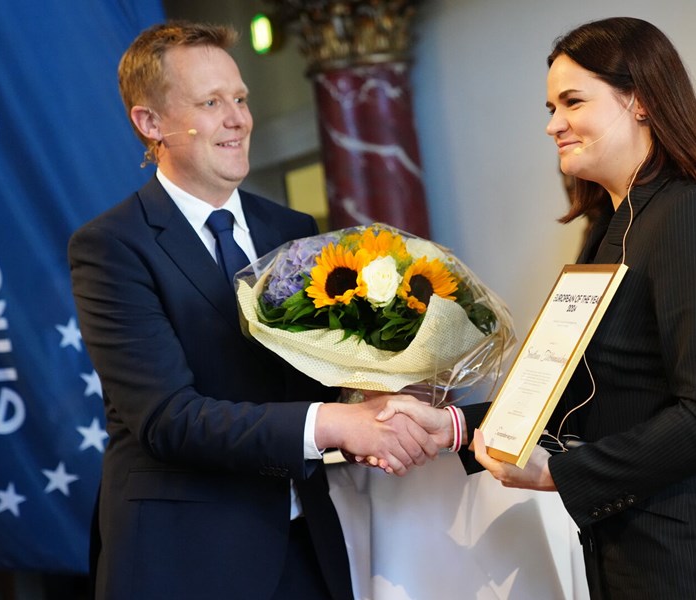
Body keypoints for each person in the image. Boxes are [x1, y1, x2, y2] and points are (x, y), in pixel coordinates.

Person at [379, 16, 696, 599]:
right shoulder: (612, 227)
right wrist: (454, 425)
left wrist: (559, 473)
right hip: (633, 561)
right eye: (551, 107)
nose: (554, 124)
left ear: (641, 102)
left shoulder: (692, 217)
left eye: (572, 102)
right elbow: (582, 398)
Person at [68, 21, 439, 600]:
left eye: (239, 98)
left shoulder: (292, 231)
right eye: (211, 102)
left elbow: (313, 376)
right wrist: (338, 423)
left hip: (306, 541)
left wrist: (379, 399)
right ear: (151, 123)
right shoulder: (112, 247)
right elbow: (169, 419)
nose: (237, 118)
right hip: (186, 557)